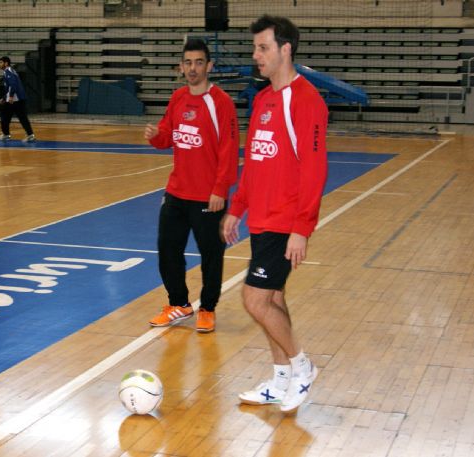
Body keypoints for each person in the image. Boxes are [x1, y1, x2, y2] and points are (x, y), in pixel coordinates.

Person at [222, 15, 328, 413]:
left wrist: (302, 227)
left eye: (263, 47)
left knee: (254, 300)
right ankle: (281, 379)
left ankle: (302, 367)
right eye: (255, 48)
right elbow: (254, 161)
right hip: (263, 219)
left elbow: (315, 170)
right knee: (273, 299)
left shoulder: (307, 101)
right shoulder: (264, 99)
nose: (256, 55)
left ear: (285, 49)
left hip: (286, 220)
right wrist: (238, 208)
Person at [145, 38, 239, 333]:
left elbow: (229, 148)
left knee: (211, 256)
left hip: (208, 196)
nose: (193, 68)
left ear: (209, 66)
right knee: (167, 249)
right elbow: (167, 135)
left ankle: (207, 308)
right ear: (181, 67)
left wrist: (220, 189)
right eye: (188, 63)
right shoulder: (178, 98)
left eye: (199, 62)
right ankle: (179, 304)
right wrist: (155, 136)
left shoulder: (220, 102)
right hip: (176, 191)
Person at [0, 56, 36, 143]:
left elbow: (13, 85)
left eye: (1, 62)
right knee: (22, 118)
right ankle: (30, 135)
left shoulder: (8, 71)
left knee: (5, 117)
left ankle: (6, 135)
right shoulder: (10, 71)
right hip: (18, 99)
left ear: (6, 63)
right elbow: (10, 87)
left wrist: (10, 96)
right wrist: (4, 98)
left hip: (14, 100)